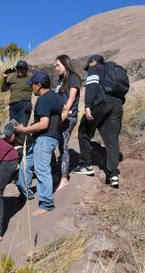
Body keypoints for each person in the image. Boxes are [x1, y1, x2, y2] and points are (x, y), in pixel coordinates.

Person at [15, 70, 64, 216]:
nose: (32, 88)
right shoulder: (55, 97)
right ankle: (27, 194)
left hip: (44, 138)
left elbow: (43, 123)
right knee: (25, 164)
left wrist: (25, 129)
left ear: (39, 85)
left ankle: (46, 203)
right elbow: (60, 117)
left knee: (42, 169)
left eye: (33, 85)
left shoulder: (43, 100)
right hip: (46, 138)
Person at [73, 55, 124, 188]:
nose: (88, 68)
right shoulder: (112, 71)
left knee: (83, 131)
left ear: (93, 62)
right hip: (117, 105)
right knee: (112, 139)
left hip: (101, 103)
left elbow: (91, 86)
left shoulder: (95, 68)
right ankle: (113, 174)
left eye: (88, 65)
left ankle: (86, 164)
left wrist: (88, 105)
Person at [53, 55, 82, 191]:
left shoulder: (73, 77)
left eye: (58, 65)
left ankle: (64, 178)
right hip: (59, 117)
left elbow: (70, 100)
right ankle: (56, 175)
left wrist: (63, 115)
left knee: (63, 145)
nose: (56, 67)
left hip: (68, 117)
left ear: (65, 64)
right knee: (56, 144)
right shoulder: (60, 80)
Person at [1, 60, 32, 131]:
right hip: (13, 107)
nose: (19, 70)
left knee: (21, 128)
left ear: (26, 70)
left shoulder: (30, 79)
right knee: (12, 128)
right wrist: (5, 78)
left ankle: (20, 142)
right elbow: (3, 89)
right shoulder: (13, 79)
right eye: (18, 68)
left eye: (21, 68)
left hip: (24, 105)